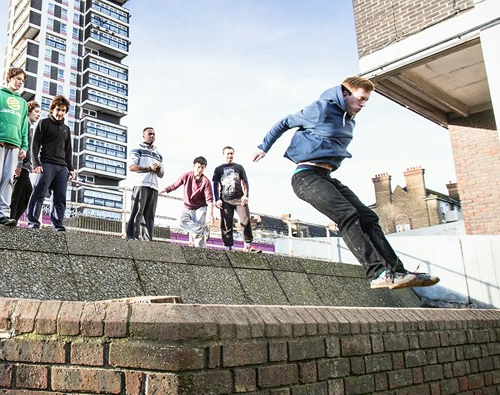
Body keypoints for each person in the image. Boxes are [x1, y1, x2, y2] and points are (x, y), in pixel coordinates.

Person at [252, 76, 439, 289]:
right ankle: (377, 273)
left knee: (368, 217)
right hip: (306, 177)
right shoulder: (320, 109)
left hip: (326, 176)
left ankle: (398, 271)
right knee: (346, 214)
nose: (363, 104)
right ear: (344, 94)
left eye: (366, 101)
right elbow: (285, 122)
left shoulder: (349, 121)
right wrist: (263, 147)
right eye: (360, 99)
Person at [0, 67, 29, 225]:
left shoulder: (23, 103)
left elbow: (24, 126)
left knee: (8, 178)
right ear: (9, 78)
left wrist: (24, 146)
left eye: (22, 81)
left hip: (14, 145)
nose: (20, 82)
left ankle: (3, 214)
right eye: (18, 79)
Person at [26, 95, 75, 232]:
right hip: (46, 164)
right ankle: (33, 222)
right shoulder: (44, 123)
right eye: (58, 109)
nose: (60, 113)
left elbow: (68, 150)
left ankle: (57, 224)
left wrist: (71, 168)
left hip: (62, 168)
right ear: (52, 109)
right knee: (39, 194)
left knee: (60, 197)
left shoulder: (66, 129)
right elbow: (35, 145)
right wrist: (36, 164)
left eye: (63, 110)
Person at [212, 146, 259, 252]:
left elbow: (245, 182)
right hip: (225, 200)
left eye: (231, 153)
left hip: (239, 199)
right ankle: (228, 247)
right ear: (223, 154)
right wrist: (217, 199)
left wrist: (246, 196)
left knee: (246, 220)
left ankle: (248, 245)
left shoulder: (239, 167)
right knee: (226, 223)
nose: (230, 155)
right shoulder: (218, 169)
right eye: (228, 154)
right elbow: (215, 185)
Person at [162, 156, 214, 248]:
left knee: (197, 236)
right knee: (181, 221)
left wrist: (211, 214)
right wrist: (164, 190)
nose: (200, 170)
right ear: (193, 166)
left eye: (202, 168)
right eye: (198, 167)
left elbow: (209, 199)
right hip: (187, 207)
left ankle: (202, 251)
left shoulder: (206, 181)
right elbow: (175, 185)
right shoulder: (186, 175)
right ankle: (202, 230)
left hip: (200, 208)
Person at [126, 127, 163, 240]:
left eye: (154, 134)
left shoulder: (158, 154)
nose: (152, 136)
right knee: (137, 211)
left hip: (154, 186)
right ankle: (133, 237)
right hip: (141, 183)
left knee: (150, 215)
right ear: (143, 135)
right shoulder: (137, 149)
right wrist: (149, 168)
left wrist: (157, 170)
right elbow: (132, 167)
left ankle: (147, 239)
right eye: (149, 134)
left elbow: (161, 174)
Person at [9, 100, 41, 222]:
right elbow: (21, 145)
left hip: (26, 167)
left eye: (39, 112)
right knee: (16, 194)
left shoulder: (30, 127)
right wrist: (19, 164)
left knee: (28, 195)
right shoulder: (25, 125)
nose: (38, 115)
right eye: (36, 111)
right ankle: (10, 218)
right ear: (29, 112)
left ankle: (14, 219)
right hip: (22, 166)